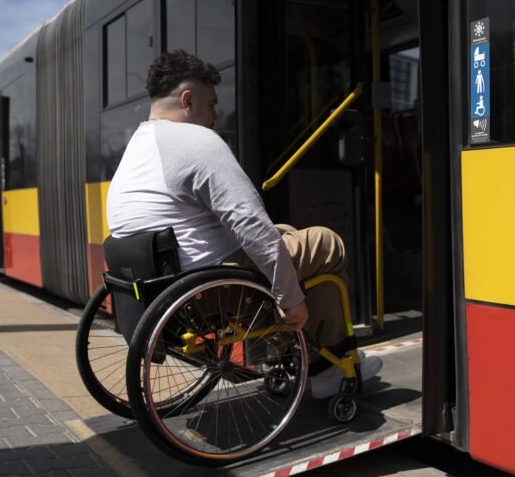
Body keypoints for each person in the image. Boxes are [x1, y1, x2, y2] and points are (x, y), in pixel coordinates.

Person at [106, 50, 381, 399]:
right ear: (188, 100)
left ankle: (299, 349)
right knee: (325, 244)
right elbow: (249, 223)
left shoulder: (136, 148)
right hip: (213, 286)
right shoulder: (196, 141)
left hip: (165, 286)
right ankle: (328, 366)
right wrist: (289, 296)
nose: (215, 116)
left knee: (287, 234)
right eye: (211, 104)